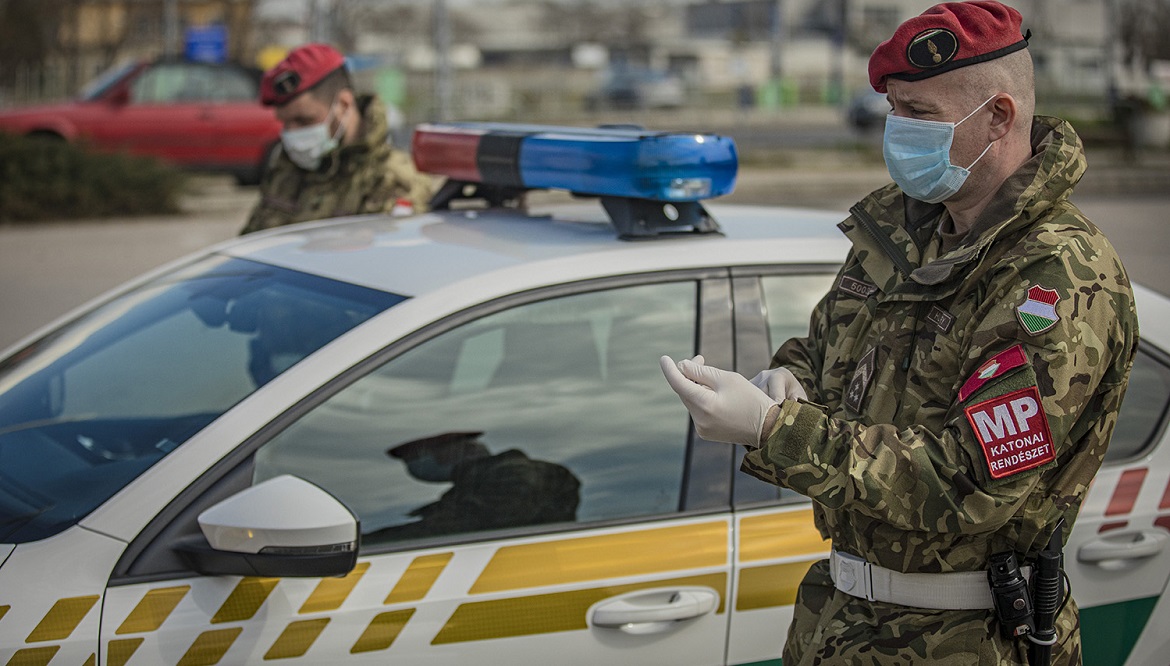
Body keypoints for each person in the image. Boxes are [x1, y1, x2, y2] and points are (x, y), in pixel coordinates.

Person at [660, 2, 1138, 664]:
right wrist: (782, 382)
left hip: (966, 637)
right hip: (841, 618)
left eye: (918, 112)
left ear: (998, 117)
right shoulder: (902, 230)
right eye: (893, 109)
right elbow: (826, 350)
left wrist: (777, 430)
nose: (897, 129)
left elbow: (970, 485)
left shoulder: (1054, 276)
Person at [241, 43, 435, 235]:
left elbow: (390, 260)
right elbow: (251, 245)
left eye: (303, 120)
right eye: (286, 122)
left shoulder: (394, 180)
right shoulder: (286, 171)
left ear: (343, 105)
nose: (292, 132)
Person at [366, 431, 581, 542]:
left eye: (419, 456)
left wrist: (368, 543)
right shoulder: (468, 488)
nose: (414, 465)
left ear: (462, 450)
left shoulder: (515, 475)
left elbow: (465, 528)